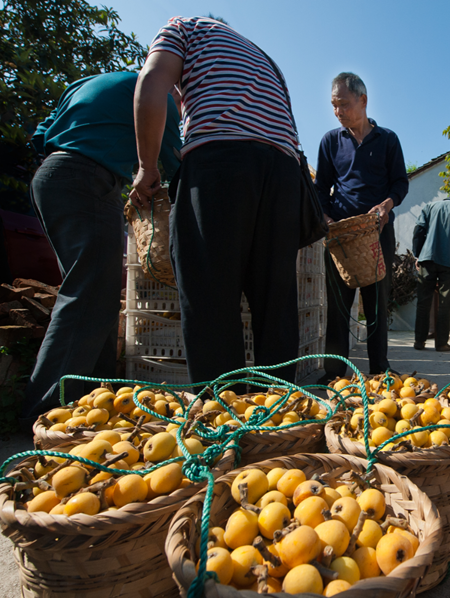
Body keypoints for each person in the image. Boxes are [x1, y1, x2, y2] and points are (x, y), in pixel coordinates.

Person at [130, 16, 303, 383]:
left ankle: (222, 421)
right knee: (276, 304)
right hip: (286, 174)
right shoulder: (264, 58)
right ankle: (280, 417)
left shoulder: (184, 27)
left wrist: (147, 168)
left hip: (222, 164)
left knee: (210, 296)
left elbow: (151, 81)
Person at [21, 72, 181, 426]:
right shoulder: (158, 96)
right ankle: (44, 410)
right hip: (88, 181)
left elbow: (41, 132)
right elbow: (176, 162)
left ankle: (98, 397)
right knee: (89, 294)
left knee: (95, 293)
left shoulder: (91, 82)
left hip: (50, 175)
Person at [315, 72, 409, 381]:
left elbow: (400, 183)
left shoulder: (388, 140)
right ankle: (334, 373)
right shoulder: (330, 141)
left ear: (363, 100)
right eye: (334, 105)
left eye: (343, 104)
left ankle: (379, 369)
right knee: (339, 305)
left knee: (376, 304)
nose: (338, 111)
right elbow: (322, 189)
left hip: (377, 234)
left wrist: (386, 205)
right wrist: (327, 219)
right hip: (341, 237)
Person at [412, 185, 450, 352]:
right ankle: (441, 344)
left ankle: (419, 341)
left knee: (423, 302)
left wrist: (418, 255)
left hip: (427, 259)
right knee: (445, 304)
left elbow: (419, 231)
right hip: (449, 263)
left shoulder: (429, 207)